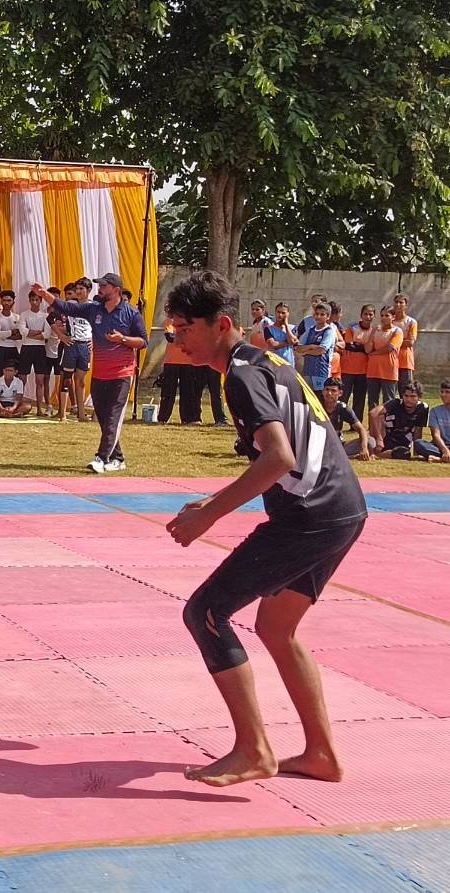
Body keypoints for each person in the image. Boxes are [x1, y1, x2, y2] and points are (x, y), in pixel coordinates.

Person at [163, 270, 366, 788]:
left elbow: (279, 457)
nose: (177, 339)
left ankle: (253, 750)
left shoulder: (241, 375)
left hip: (311, 517)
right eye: (173, 328)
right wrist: (213, 500)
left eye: (185, 328)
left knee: (206, 612)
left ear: (221, 324)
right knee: (276, 628)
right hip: (343, 508)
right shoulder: (265, 361)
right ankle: (321, 754)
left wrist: (210, 514)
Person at [34, 273, 147, 473]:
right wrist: (45, 295)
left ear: (116, 290)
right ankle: (118, 458)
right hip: (100, 374)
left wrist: (122, 339)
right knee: (103, 417)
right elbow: (67, 307)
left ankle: (101, 458)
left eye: (103, 286)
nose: (99, 289)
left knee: (113, 416)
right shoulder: (94, 309)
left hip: (122, 373)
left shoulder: (131, 313)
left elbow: (143, 341)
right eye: (99, 285)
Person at [369, 382, 435, 460]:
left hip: (403, 442)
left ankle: (380, 454)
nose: (408, 399)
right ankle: (375, 452)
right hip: (386, 437)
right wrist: (379, 439)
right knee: (380, 417)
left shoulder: (422, 408)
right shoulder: (395, 403)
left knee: (403, 453)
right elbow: (373, 413)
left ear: (419, 397)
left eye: (413, 396)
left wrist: (416, 454)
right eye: (406, 396)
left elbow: (418, 430)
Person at [57, 284, 93, 421]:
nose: (78, 292)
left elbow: (100, 324)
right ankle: (63, 415)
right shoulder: (70, 305)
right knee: (67, 379)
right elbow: (51, 318)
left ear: (89, 290)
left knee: (81, 381)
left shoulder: (94, 306)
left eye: (81, 289)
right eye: (76, 289)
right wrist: (61, 336)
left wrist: (94, 339)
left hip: (85, 346)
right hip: (72, 344)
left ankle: (81, 413)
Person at [158, 316, 201, 425]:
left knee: (188, 392)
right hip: (171, 361)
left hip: (188, 361)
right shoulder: (171, 321)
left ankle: (187, 418)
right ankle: (163, 418)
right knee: (168, 391)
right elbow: (170, 337)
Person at [320, 377, 373, 461]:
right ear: (323, 391)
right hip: (318, 444)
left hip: (338, 445)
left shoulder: (343, 408)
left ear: (340, 393)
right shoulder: (316, 406)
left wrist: (364, 448)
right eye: (327, 390)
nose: (329, 393)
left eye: (333, 391)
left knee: (370, 442)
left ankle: (338, 456)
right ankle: (346, 457)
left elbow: (361, 429)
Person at [338, 304, 374, 422]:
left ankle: (356, 423)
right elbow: (349, 345)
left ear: (374, 316)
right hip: (347, 368)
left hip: (364, 369)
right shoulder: (352, 328)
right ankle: (338, 422)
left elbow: (372, 348)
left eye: (370, 314)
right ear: (361, 315)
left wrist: (360, 345)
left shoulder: (374, 331)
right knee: (343, 397)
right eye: (365, 314)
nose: (368, 317)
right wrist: (365, 347)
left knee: (360, 399)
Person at [19, 289, 51, 415]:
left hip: (40, 349)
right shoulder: (24, 315)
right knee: (22, 379)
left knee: (40, 380)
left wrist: (30, 334)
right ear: (29, 301)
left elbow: (47, 334)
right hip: (26, 347)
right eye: (32, 300)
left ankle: (39, 409)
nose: (34, 302)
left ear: (40, 301)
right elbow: (22, 331)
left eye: (37, 300)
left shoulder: (45, 316)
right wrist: (38, 332)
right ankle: (19, 406)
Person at [365, 304, 402, 411]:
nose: (384, 318)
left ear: (393, 317)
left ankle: (388, 422)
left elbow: (390, 347)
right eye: (382, 315)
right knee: (372, 401)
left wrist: (374, 354)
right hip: (373, 370)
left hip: (389, 370)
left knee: (389, 401)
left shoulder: (397, 331)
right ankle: (373, 422)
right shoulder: (376, 330)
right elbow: (367, 349)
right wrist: (372, 333)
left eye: (387, 315)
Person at [295, 301, 337, 392]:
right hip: (308, 370)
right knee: (308, 396)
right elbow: (298, 348)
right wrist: (312, 346)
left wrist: (306, 352)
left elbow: (321, 350)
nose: (318, 317)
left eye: (322, 314)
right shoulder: (310, 330)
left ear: (328, 316)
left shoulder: (329, 331)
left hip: (321, 371)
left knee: (320, 396)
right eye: (317, 314)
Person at [0, 290, 23, 379]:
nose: (6, 303)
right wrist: (12, 332)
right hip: (0, 349)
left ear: (13, 302)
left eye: (9, 300)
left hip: (14, 349)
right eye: (4, 300)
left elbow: (20, 335)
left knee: (15, 377)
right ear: (1, 301)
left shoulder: (17, 317)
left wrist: (4, 335)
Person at [392, 293, 418, 388]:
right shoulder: (389, 321)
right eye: (396, 302)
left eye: (401, 302)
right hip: (390, 360)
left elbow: (410, 342)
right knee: (390, 392)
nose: (398, 304)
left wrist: (393, 342)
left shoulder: (411, 322)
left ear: (406, 305)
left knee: (406, 390)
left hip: (405, 361)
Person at [425, 379, 450, 464]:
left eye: (447, 392)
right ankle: (445, 456)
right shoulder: (435, 411)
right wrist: (445, 450)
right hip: (440, 446)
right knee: (419, 444)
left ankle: (440, 459)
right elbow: (435, 435)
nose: (443, 395)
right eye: (442, 392)